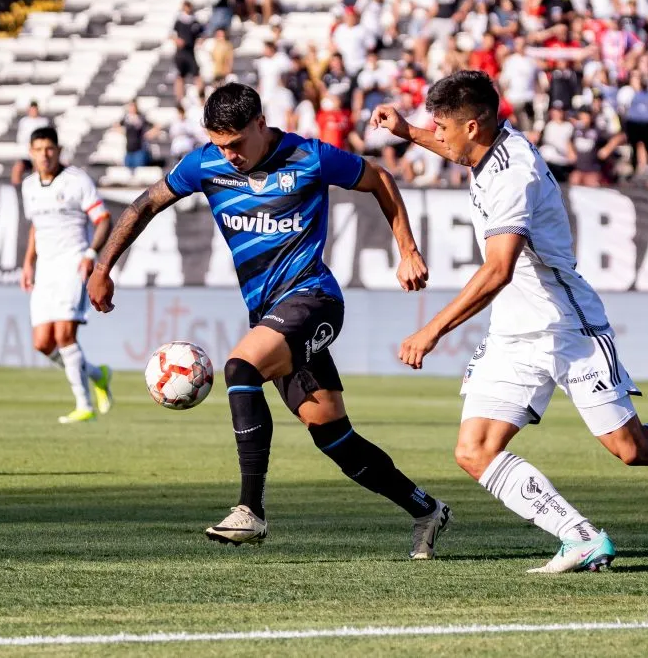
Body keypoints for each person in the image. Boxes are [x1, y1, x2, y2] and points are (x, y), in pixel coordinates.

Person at [370, 70, 648, 574]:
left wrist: (431, 331)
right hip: (513, 335)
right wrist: (409, 133)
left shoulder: (517, 176)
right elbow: (457, 151)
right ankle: (578, 536)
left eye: (441, 125)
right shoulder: (485, 145)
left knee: (631, 448)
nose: (437, 133)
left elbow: (498, 271)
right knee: (473, 451)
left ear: (472, 126)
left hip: (567, 327)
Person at [87, 83, 452, 559]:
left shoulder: (309, 157)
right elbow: (144, 205)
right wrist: (102, 268)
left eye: (237, 143)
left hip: (314, 299)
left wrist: (407, 250)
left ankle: (250, 510)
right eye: (221, 145)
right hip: (271, 315)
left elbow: (379, 179)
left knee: (240, 368)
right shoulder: (205, 165)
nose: (230, 155)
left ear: (262, 124)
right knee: (332, 436)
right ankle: (426, 508)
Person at [20, 127, 114, 424]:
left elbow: (103, 220)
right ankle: (98, 375)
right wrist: (27, 263)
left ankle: (83, 405)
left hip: (73, 263)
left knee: (64, 335)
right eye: (38, 149)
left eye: (49, 149)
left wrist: (90, 254)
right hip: (45, 269)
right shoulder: (29, 187)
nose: (44, 155)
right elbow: (36, 227)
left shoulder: (76, 180)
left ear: (58, 151)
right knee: (42, 343)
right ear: (31, 152)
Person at [12, 101, 52, 185]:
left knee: (37, 168)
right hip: (27, 154)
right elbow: (21, 139)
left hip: (39, 154)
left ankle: (37, 188)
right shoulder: (24, 122)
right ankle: (17, 191)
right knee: (17, 168)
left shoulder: (43, 122)